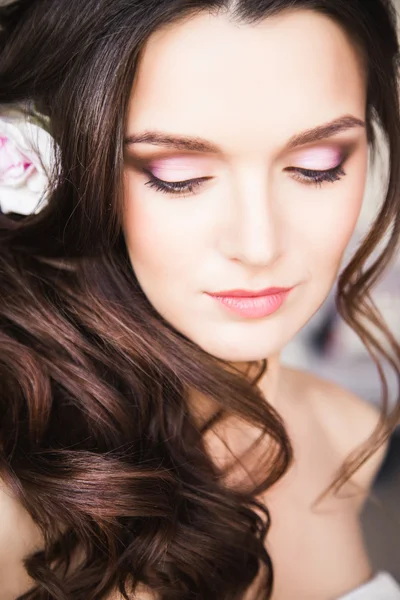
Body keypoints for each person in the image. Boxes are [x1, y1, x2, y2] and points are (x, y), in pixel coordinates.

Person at [0, 0, 399, 598]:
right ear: (59, 169)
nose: (259, 244)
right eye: (177, 173)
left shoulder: (349, 430)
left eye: (317, 165)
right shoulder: (16, 500)